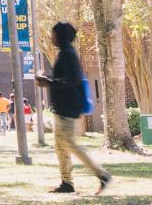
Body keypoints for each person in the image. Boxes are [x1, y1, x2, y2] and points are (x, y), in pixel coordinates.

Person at [35, 22, 110, 194]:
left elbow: (73, 80)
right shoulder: (65, 53)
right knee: (60, 146)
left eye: (53, 34)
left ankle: (102, 175)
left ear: (60, 36)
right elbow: (65, 78)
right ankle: (67, 183)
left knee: (68, 144)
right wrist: (48, 79)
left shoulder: (67, 54)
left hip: (68, 107)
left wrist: (49, 82)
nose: (51, 37)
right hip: (63, 107)